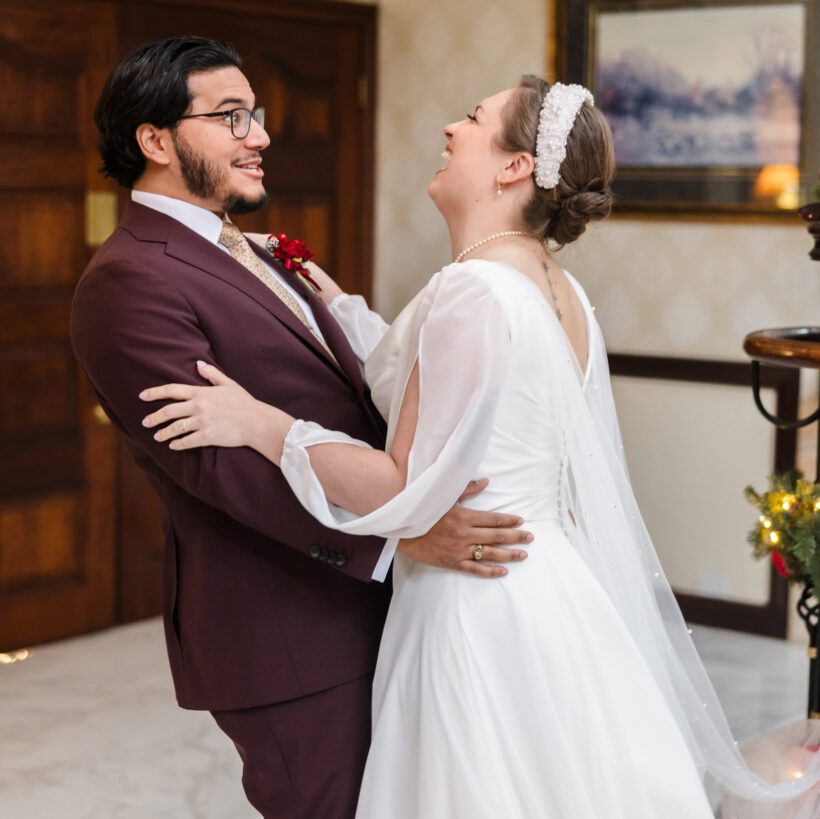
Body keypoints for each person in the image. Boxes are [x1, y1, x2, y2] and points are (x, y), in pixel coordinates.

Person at [140, 76, 820, 817]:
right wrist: (332, 302)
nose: (451, 127)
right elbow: (437, 392)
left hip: (474, 603)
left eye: (474, 119)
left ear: (513, 167)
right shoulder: (557, 291)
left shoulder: (474, 289)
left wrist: (262, 424)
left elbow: (400, 481)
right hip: (550, 587)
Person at [70, 36, 531, 819]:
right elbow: (220, 469)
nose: (261, 136)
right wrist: (398, 537)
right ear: (154, 140)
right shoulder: (126, 281)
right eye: (232, 117)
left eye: (257, 113)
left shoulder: (251, 249)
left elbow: (353, 389)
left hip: (373, 606)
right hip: (286, 631)